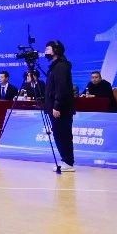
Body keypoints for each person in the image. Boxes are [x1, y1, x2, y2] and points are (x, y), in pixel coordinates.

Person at [43, 40, 76, 172]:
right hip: (55, 107)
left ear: (56, 50)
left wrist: (57, 106)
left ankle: (68, 161)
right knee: (58, 134)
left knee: (63, 134)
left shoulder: (61, 66)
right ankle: (65, 160)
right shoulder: (55, 66)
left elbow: (61, 88)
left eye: (48, 49)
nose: (45, 51)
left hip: (61, 108)